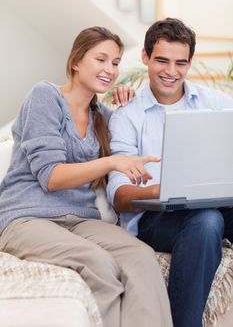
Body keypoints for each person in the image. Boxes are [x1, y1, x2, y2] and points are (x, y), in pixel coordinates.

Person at [0, 26, 173, 327]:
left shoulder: (103, 116)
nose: (109, 69)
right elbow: (51, 177)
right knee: (98, 264)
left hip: (81, 221)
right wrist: (110, 163)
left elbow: (136, 135)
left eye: (116, 62)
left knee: (142, 259)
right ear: (77, 61)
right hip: (26, 219)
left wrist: (127, 105)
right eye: (101, 59)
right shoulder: (45, 96)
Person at [107, 18, 233, 327]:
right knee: (206, 221)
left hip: (218, 203)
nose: (171, 71)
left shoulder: (216, 104)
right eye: (161, 60)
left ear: (190, 63)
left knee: (210, 214)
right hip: (156, 220)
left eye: (181, 63)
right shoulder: (128, 116)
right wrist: (160, 190)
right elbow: (120, 197)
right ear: (145, 58)